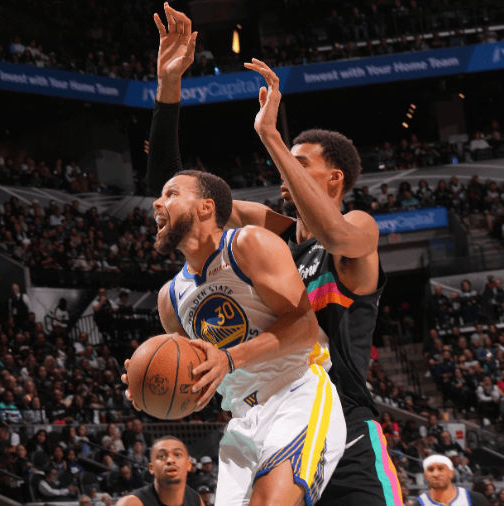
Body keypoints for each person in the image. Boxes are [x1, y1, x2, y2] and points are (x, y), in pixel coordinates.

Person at [144, 5, 400, 506]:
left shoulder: (358, 230)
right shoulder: (272, 234)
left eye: (299, 163)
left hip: (345, 422)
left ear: (334, 179)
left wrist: (271, 135)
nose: (283, 171)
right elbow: (179, 197)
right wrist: (168, 88)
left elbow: (335, 235)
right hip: (276, 413)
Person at [126, 164, 345, 505]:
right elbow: (197, 377)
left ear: (206, 207)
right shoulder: (170, 298)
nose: (156, 203)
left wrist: (229, 359)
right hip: (242, 419)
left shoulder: (248, 243)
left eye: (171, 194)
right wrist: (150, 389)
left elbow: (304, 327)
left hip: (295, 392)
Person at [115, 436, 203, 506]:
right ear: (151, 468)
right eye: (161, 456)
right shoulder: (131, 503)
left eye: (177, 454)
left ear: (189, 465)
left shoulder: (196, 500)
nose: (170, 460)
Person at [417, 455, 489, 505]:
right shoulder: (420, 502)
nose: (436, 474)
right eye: (431, 470)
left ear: (451, 473)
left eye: (441, 469)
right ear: (425, 475)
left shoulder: (474, 498)